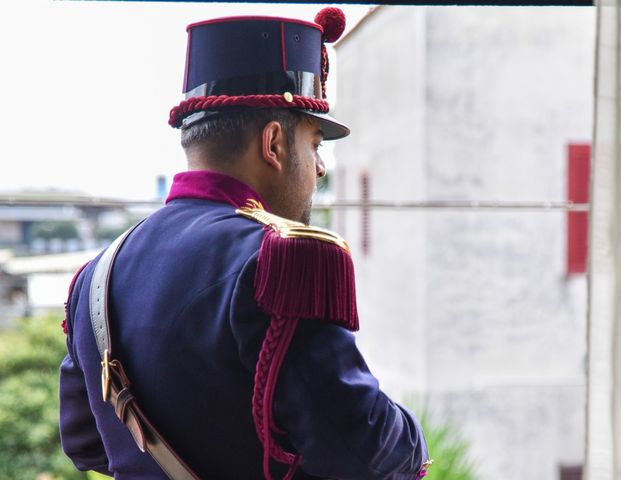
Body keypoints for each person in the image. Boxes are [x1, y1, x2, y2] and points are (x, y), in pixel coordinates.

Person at [59, 8, 431, 480]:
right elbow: (360, 447)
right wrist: (411, 438)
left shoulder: (98, 273)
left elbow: (85, 441)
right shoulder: (282, 260)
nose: (320, 168)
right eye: (315, 145)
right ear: (274, 144)